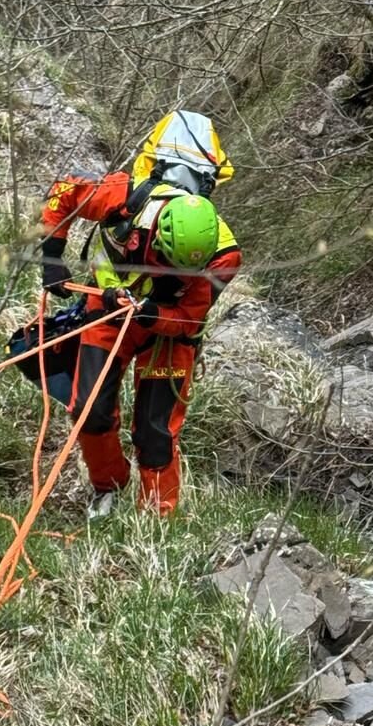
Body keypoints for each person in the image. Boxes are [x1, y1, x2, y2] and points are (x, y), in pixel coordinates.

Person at [38, 113, 241, 517]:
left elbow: (189, 318)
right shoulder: (125, 197)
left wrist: (150, 314)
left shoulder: (223, 253)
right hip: (107, 314)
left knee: (156, 432)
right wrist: (51, 255)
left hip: (167, 335)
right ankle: (107, 486)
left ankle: (156, 518)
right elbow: (66, 190)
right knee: (89, 411)